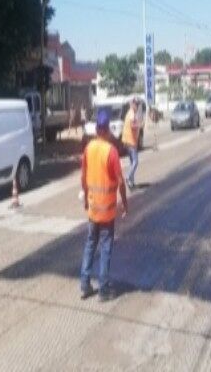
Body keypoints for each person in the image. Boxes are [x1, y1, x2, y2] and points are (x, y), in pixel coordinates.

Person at [80, 108, 128, 301]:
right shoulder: (111, 152)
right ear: (107, 129)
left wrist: (85, 199)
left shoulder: (88, 148)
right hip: (107, 212)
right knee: (106, 247)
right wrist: (124, 203)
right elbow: (121, 182)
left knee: (90, 244)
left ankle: (85, 285)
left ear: (96, 129)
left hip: (92, 209)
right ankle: (103, 289)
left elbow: (83, 178)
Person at [121, 97, 140, 190]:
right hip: (131, 141)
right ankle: (128, 177)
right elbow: (133, 126)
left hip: (127, 140)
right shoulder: (132, 114)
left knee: (132, 162)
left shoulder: (129, 113)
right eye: (136, 104)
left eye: (137, 104)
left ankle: (131, 183)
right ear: (132, 104)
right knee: (135, 162)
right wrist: (139, 125)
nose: (137, 106)